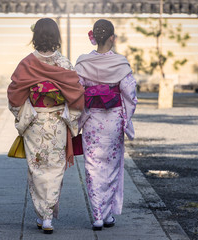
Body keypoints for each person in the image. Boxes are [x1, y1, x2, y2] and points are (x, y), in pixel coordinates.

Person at [7, 18, 84, 234]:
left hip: (35, 121)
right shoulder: (64, 64)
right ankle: (48, 215)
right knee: (55, 168)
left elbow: (15, 94)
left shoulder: (27, 63)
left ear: (35, 36)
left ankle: (44, 214)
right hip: (58, 121)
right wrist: (70, 116)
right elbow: (76, 94)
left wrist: (26, 112)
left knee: (37, 168)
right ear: (56, 36)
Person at [75, 19, 137, 230]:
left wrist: (78, 118)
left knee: (93, 168)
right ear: (112, 38)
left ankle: (98, 215)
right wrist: (126, 119)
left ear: (93, 37)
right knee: (111, 166)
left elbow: (76, 94)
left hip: (92, 119)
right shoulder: (120, 64)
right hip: (113, 120)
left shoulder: (83, 63)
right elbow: (130, 95)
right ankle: (108, 213)